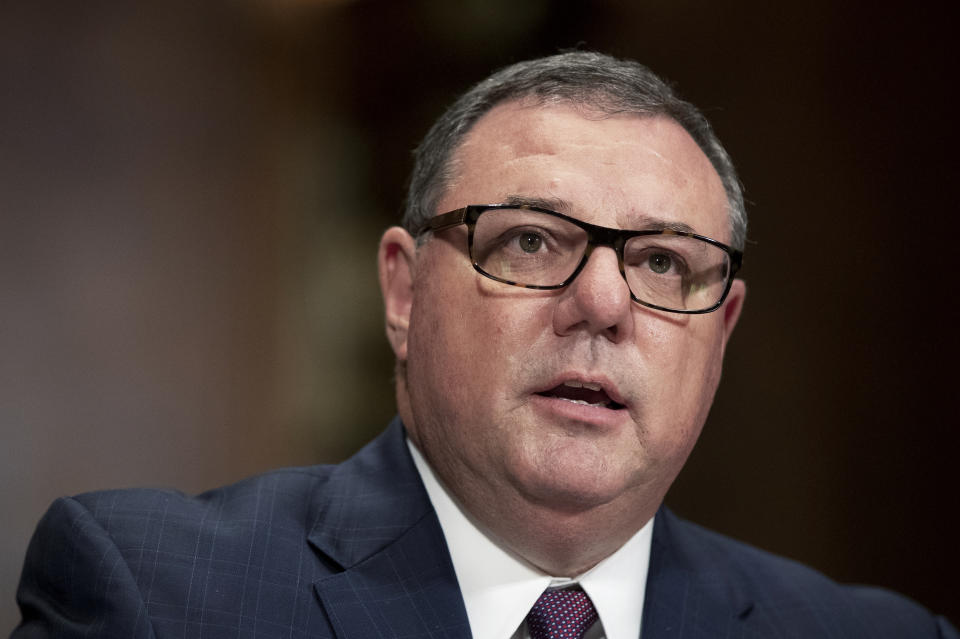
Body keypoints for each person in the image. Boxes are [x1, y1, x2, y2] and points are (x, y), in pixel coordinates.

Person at [11, 51, 956, 639]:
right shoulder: (155, 597)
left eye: (665, 263)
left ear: (724, 330)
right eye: (532, 241)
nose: (603, 303)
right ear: (403, 290)